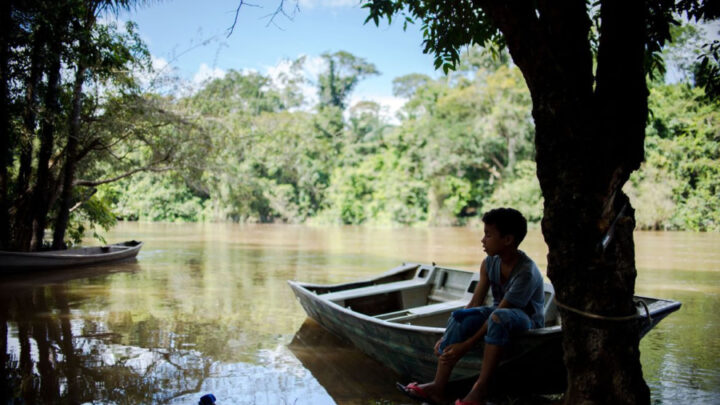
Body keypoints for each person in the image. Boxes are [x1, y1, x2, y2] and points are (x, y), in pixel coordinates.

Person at [397, 208, 545, 405]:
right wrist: (447, 336)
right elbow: (475, 303)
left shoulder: (526, 272)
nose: (483, 240)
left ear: (508, 240)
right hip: (498, 314)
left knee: (497, 317)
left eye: (488, 235)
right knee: (461, 316)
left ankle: (479, 392)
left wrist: (465, 345)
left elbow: (502, 310)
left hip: (527, 321)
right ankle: (438, 387)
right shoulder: (489, 263)